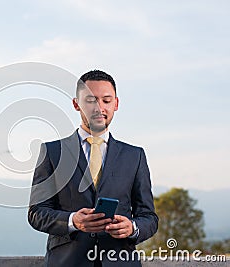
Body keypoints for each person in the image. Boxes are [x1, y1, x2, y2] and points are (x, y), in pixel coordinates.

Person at [28, 70, 158, 266]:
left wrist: (132, 227)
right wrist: (73, 221)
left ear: (116, 104)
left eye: (106, 100)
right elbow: (37, 213)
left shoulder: (135, 156)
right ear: (76, 104)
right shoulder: (52, 152)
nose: (99, 108)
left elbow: (149, 217)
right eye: (90, 100)